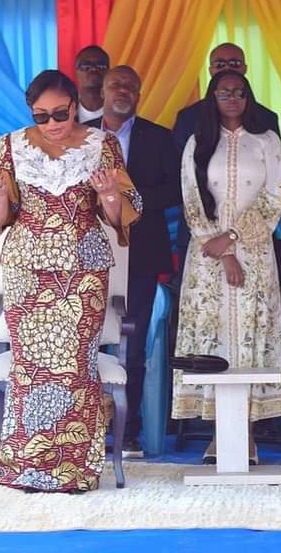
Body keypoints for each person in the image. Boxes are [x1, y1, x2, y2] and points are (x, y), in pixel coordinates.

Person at [0, 69, 141, 492]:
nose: (51, 123)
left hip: (83, 273)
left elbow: (121, 215)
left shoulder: (102, 145)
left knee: (76, 369)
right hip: (25, 272)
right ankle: (26, 467)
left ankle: (74, 470)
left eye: (60, 113)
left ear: (75, 106)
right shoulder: (9, 145)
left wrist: (108, 194)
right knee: (30, 370)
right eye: (41, 115)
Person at [172, 70, 281, 465]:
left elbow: (273, 199)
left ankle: (247, 434)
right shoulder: (197, 142)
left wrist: (234, 240)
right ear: (213, 97)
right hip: (207, 257)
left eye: (239, 92)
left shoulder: (267, 141)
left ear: (248, 96)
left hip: (254, 253)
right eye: (224, 93)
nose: (232, 99)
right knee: (214, 336)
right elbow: (191, 200)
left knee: (249, 336)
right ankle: (219, 433)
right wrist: (222, 250)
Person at [87, 65, 180, 458]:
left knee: (133, 343)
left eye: (130, 86)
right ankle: (86, 426)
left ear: (139, 94)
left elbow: (175, 189)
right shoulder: (81, 135)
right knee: (88, 342)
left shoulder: (159, 137)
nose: (122, 91)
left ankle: (128, 430)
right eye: (115, 85)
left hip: (140, 254)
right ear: (102, 92)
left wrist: (127, 201)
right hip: (88, 254)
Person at [74, 45, 110, 123]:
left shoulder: (119, 111)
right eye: (86, 66)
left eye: (100, 66)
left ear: (109, 72)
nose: (93, 69)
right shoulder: (65, 110)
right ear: (76, 71)